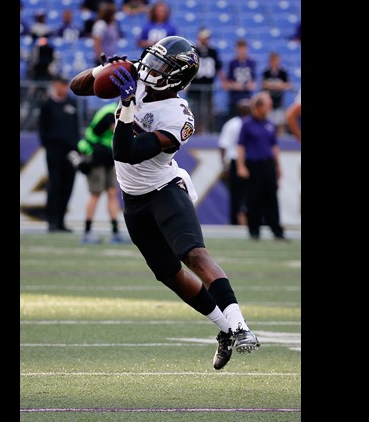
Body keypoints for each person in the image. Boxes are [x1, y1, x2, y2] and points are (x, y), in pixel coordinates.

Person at [69, 36, 260, 370]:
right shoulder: (137, 77)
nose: (150, 68)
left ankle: (241, 327)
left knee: (194, 254)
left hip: (163, 189)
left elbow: (125, 151)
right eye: (152, 59)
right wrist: (104, 69)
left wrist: (128, 106)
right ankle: (225, 329)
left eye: (161, 65)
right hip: (132, 197)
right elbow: (78, 86)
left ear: (177, 78)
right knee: (169, 275)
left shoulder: (178, 116)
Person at [73, 102, 131, 244]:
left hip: (108, 155)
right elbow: (119, 131)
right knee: (96, 193)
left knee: (112, 192)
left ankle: (115, 232)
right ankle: (87, 232)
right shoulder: (110, 112)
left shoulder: (118, 110)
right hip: (96, 155)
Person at [236, 92, 287, 241]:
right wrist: (241, 166)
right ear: (259, 106)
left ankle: (277, 231)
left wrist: (278, 167)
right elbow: (240, 146)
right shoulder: (246, 124)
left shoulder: (270, 124)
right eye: (267, 105)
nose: (270, 108)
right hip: (253, 165)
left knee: (272, 197)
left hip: (268, 164)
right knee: (254, 198)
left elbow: (274, 147)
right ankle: (254, 231)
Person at [39, 76, 80, 233]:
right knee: (54, 185)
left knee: (67, 185)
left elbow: (76, 128)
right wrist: (48, 145)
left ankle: (61, 221)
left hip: (70, 151)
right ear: (55, 85)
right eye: (61, 85)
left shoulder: (72, 103)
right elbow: (42, 128)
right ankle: (52, 221)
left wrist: (76, 147)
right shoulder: (47, 105)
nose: (64, 88)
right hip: (54, 150)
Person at [217, 99, 251, 226]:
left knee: (249, 193)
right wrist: (224, 165)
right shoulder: (233, 124)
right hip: (236, 160)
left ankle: (249, 220)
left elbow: (222, 146)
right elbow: (223, 146)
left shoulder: (233, 124)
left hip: (249, 161)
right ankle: (235, 221)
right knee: (236, 193)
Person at [188, 28, 225, 134]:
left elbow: (218, 68)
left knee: (208, 111)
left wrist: (224, 81)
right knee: (195, 111)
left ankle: (206, 131)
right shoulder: (194, 50)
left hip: (208, 87)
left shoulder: (212, 51)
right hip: (195, 87)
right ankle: (195, 131)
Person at [223, 39, 257, 121]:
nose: (242, 51)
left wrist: (246, 86)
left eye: (243, 48)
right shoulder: (232, 63)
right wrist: (235, 86)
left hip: (247, 96)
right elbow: (227, 83)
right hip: (234, 98)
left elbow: (253, 82)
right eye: (240, 48)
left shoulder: (251, 63)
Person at [261, 51, 292, 136]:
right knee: (267, 124)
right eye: (273, 60)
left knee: (280, 123)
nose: (275, 63)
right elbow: (264, 85)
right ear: (270, 61)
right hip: (269, 103)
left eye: (276, 60)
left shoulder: (282, 72)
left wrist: (273, 86)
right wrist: (277, 86)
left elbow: (288, 85)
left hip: (279, 102)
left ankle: (281, 142)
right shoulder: (266, 72)